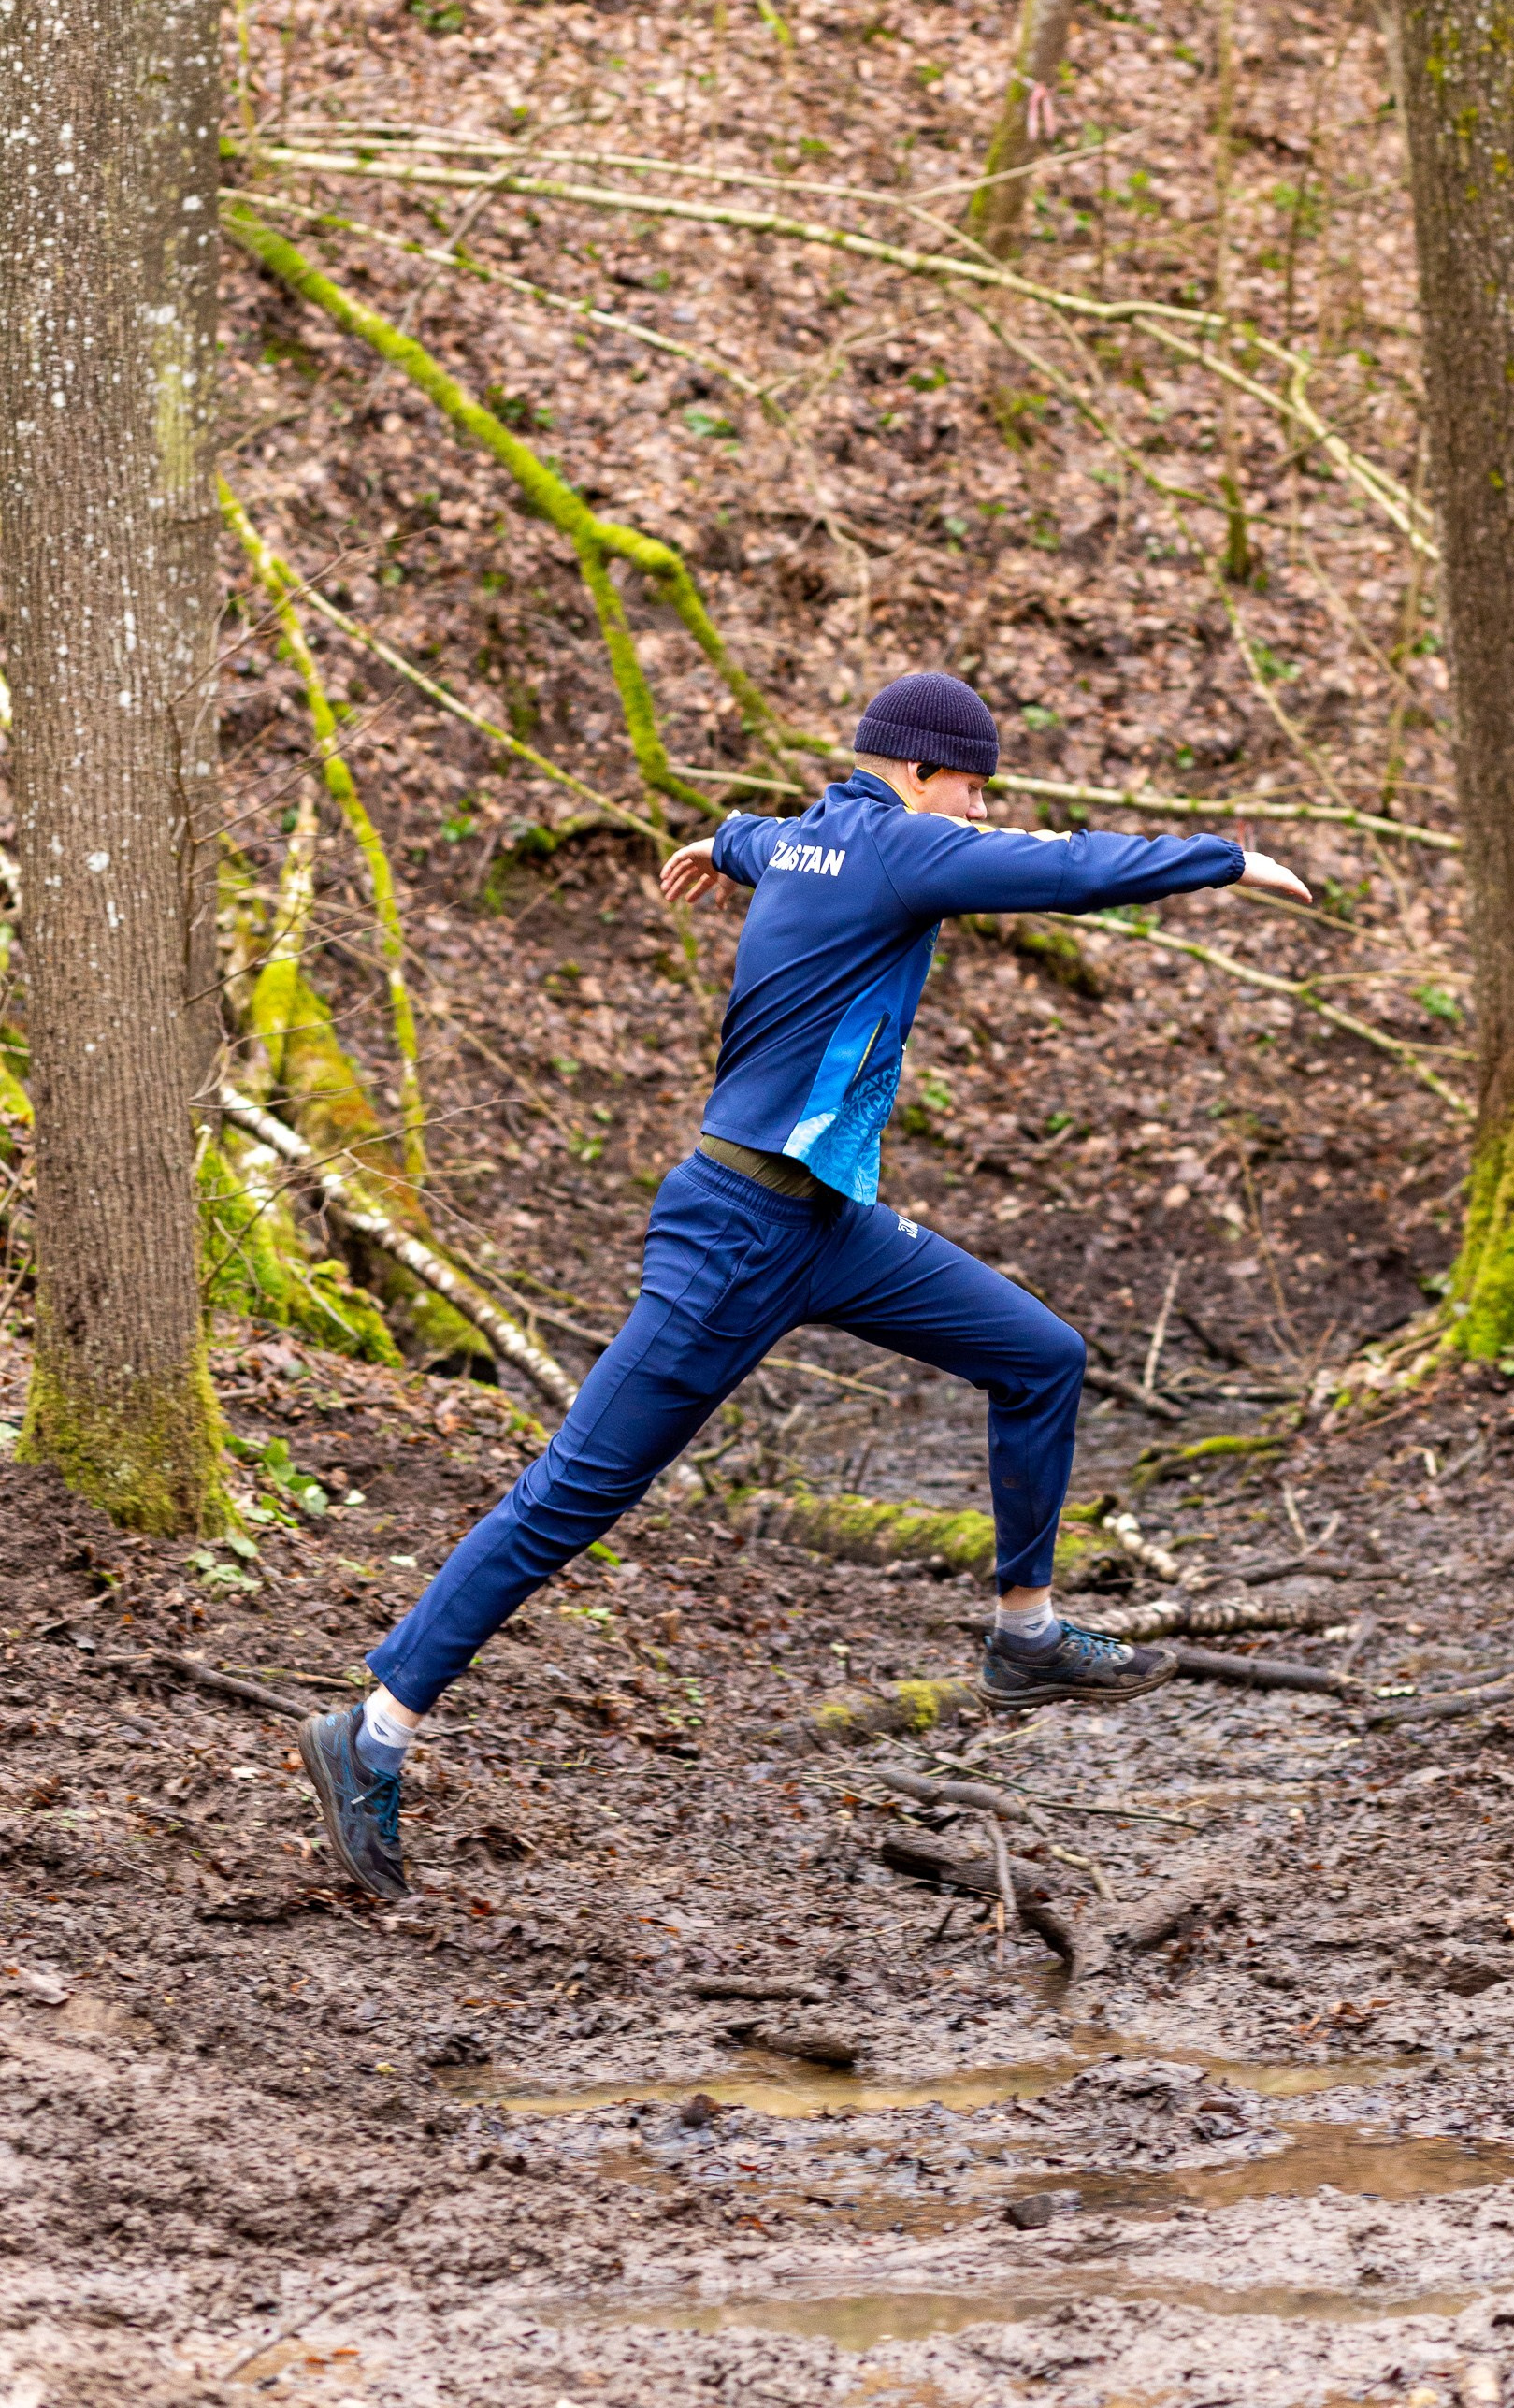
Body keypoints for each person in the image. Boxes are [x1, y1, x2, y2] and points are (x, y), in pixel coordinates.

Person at [298, 671, 1310, 1899]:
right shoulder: (900, 849)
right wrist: (1222, 862)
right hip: (736, 1237)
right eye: (973, 784)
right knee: (571, 1494)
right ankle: (376, 1729)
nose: (981, 809)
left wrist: (713, 845)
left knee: (1040, 1357)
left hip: (828, 1225)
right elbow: (1063, 868)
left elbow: (754, 834)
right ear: (927, 773)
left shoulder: (809, 837)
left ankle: (1025, 1633)